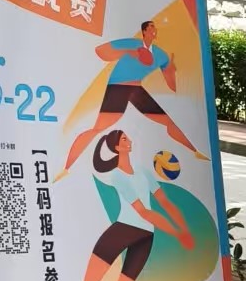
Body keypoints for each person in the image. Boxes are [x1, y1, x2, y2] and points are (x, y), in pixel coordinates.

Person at [71, 128, 193, 281]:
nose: (129, 141)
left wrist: (184, 230)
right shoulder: (117, 176)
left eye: (128, 137)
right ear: (117, 147)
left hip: (143, 236)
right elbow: (143, 212)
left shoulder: (143, 171)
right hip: (125, 231)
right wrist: (178, 234)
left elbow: (165, 202)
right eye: (124, 139)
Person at [60, 19, 206, 175]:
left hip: (136, 88)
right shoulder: (131, 44)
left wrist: (171, 70)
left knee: (168, 122)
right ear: (144, 31)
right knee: (97, 128)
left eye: (155, 27)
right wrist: (126, 52)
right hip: (118, 87)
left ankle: (195, 152)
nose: (154, 30)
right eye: (151, 27)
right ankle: (66, 168)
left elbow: (172, 86)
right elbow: (100, 51)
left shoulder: (161, 55)